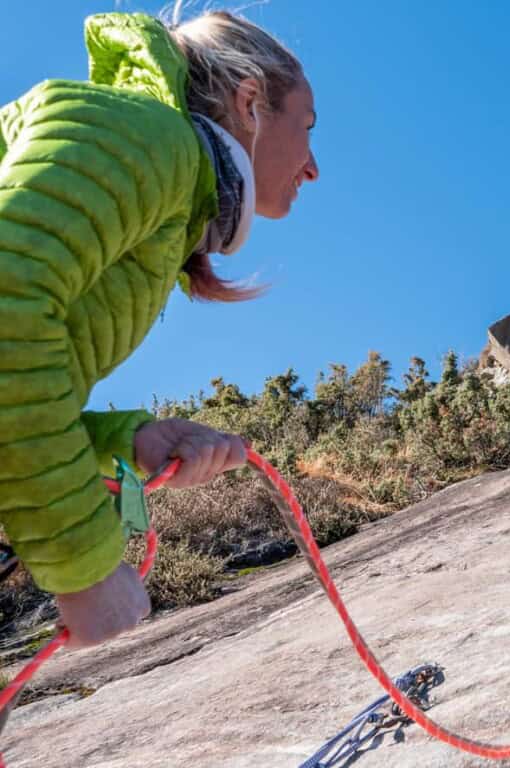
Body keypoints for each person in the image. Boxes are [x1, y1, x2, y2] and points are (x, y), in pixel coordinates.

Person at [0, 9, 318, 647]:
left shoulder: (157, 177)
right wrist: (84, 568)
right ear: (250, 100)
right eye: (306, 127)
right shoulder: (152, 138)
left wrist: (129, 436)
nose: (312, 167)